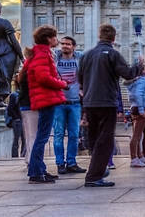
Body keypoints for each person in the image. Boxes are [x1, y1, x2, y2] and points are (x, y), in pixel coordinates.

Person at [77, 24, 141, 188]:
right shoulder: (112, 54)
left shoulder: (86, 55)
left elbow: (80, 79)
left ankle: (97, 168)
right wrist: (138, 65)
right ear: (113, 38)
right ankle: (94, 176)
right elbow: (127, 74)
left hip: (89, 102)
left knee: (95, 138)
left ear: (99, 36)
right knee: (105, 140)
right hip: (106, 102)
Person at [25, 25, 70, 184]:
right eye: (55, 37)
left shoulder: (39, 53)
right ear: (48, 38)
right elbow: (43, 77)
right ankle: (36, 172)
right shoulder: (42, 54)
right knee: (42, 137)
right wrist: (62, 84)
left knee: (42, 137)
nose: (57, 40)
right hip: (45, 98)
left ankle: (39, 169)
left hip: (44, 98)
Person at [53, 36, 86, 175]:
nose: (65, 46)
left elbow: (86, 73)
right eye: (63, 44)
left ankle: (71, 162)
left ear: (74, 46)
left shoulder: (79, 58)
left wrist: (83, 88)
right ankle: (60, 163)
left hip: (75, 102)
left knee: (74, 134)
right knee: (58, 134)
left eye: (68, 44)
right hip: (58, 103)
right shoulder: (55, 59)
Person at [124, 65, 145, 167]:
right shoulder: (143, 80)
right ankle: (134, 159)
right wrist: (141, 109)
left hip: (134, 107)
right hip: (140, 108)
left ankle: (139, 156)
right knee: (136, 136)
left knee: (138, 135)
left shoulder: (135, 81)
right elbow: (138, 94)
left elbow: (132, 95)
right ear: (143, 71)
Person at [5, 86, 25, 158]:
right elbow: (10, 109)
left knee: (23, 139)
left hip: (21, 119)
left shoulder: (20, 94)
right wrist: (16, 117)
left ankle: (23, 156)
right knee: (17, 139)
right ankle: (15, 157)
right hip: (17, 120)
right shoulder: (15, 95)